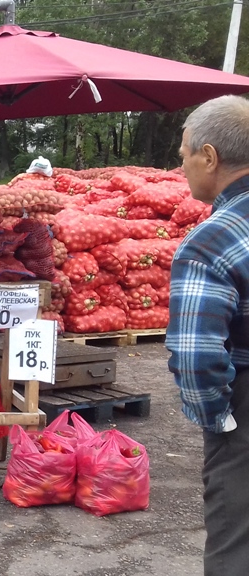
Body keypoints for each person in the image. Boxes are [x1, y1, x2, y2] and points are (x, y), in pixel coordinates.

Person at [166, 94, 249, 576]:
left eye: (184, 157)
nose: (183, 169)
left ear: (210, 156)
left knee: (237, 545)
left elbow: (197, 358)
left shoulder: (211, 241)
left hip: (246, 403)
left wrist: (218, 422)